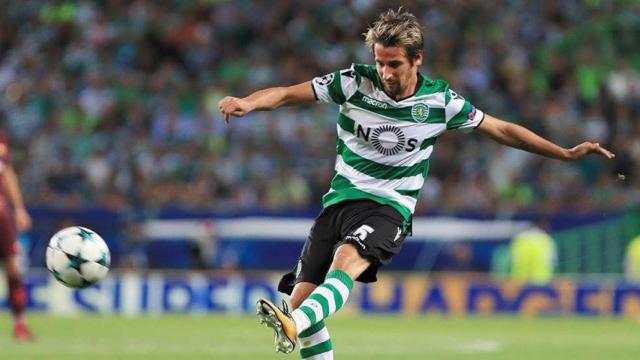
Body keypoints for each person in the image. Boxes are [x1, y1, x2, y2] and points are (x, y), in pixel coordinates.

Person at [218, 8, 614, 358]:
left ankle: (294, 323)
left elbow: (502, 129)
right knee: (302, 304)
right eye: (380, 63)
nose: (385, 73)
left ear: (416, 59)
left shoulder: (440, 102)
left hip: (390, 206)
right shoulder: (355, 82)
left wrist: (562, 153)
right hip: (339, 200)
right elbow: (288, 94)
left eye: (394, 64)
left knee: (343, 264)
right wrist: (250, 103)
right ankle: (297, 323)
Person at [0, 123, 34, 340]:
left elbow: (7, 172)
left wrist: (19, 208)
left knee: (13, 268)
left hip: (1, 214)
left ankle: (20, 325)